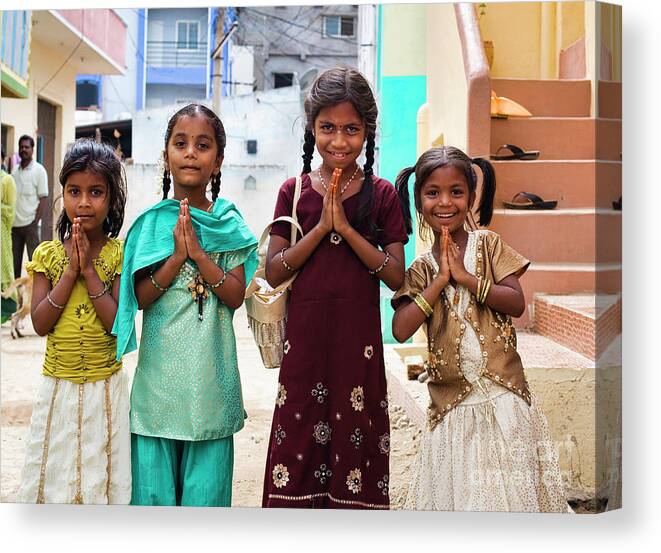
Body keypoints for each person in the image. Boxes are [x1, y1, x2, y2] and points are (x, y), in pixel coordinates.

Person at [261, 67, 409, 509]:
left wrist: (345, 228)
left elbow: (396, 275)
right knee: (298, 444)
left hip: (357, 349)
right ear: (312, 128)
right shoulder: (294, 191)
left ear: (367, 132)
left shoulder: (382, 195)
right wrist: (321, 227)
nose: (339, 141)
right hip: (303, 346)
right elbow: (273, 270)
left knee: (356, 441)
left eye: (351, 129)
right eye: (328, 128)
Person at [391, 146, 569, 512]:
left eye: (456, 192)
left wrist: (467, 279)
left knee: (508, 499)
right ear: (418, 199)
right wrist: (440, 281)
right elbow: (399, 328)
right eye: (432, 193)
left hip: (505, 399)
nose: (445, 202)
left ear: (472, 196)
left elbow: (517, 303)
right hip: (453, 409)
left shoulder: (488, 246)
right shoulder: (422, 270)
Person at [113, 103, 258, 507]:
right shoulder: (151, 224)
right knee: (153, 506)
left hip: (211, 389)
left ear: (218, 161)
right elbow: (138, 299)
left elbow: (233, 297)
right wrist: (176, 257)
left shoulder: (228, 223)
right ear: (166, 157)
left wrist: (198, 253)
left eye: (202, 145)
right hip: (157, 395)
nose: (191, 152)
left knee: (205, 506)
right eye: (181, 143)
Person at [17, 139, 129, 504]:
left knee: (100, 475)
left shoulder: (117, 254)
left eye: (96, 192)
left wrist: (91, 274)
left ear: (111, 198)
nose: (84, 202)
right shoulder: (47, 254)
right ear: (62, 195)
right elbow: (40, 323)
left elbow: (118, 325)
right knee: (57, 477)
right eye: (74, 191)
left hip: (104, 386)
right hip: (59, 386)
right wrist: (71, 273)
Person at [11, 135, 49, 278]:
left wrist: (35, 222)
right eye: (21, 147)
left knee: (35, 263)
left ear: (32, 149)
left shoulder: (39, 170)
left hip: (30, 225)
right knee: (14, 264)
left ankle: (36, 295)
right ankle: (15, 297)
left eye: (27, 147)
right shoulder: (14, 171)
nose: (23, 150)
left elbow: (43, 198)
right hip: (15, 225)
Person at [1, 146, 17, 322]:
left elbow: (10, 209)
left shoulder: (7, 180)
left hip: (2, 232)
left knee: (3, 267)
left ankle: (5, 311)